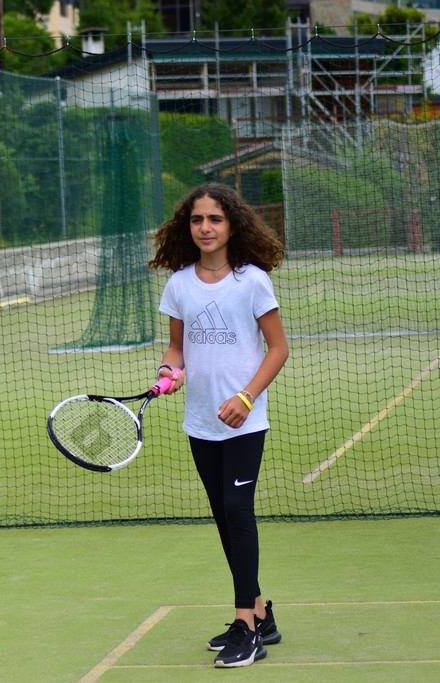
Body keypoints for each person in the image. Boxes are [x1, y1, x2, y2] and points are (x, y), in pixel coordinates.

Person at [148, 183, 289, 669]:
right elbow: (176, 349)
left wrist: (247, 397)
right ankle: (259, 613)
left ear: (232, 225)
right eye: (196, 220)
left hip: (245, 422)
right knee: (224, 517)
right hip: (200, 421)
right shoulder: (179, 284)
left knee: (236, 509)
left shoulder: (252, 280)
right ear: (186, 228)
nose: (205, 228)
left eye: (215, 219)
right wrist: (169, 374)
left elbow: (278, 349)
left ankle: (246, 630)